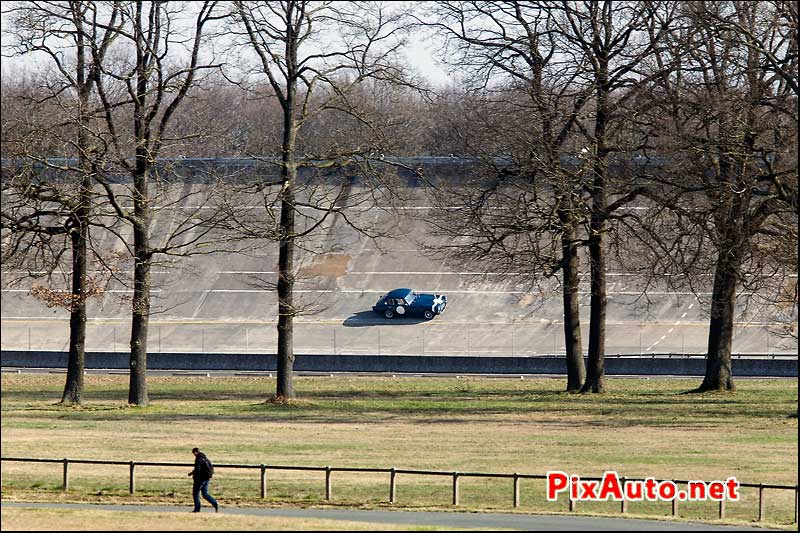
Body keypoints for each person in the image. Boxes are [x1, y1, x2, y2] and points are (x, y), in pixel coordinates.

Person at [188, 447, 219, 512]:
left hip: (200, 479)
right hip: (207, 478)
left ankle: (197, 509)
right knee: (205, 494)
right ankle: (214, 503)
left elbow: (198, 469)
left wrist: (194, 476)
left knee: (196, 493)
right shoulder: (205, 458)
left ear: (195, 452)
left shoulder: (198, 459)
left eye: (193, 453)